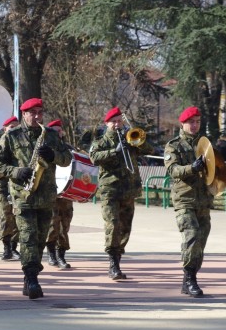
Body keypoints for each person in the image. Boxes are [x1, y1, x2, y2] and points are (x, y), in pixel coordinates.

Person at [0, 98, 71, 300]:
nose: (36, 116)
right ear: (24, 114)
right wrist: (15, 171)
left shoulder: (50, 135)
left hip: (46, 197)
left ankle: (30, 278)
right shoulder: (12, 136)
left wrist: (53, 155)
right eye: (32, 113)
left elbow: (67, 159)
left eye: (39, 112)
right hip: (23, 197)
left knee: (40, 239)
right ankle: (32, 277)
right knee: (27, 237)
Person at [89, 106, 154, 280]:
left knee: (125, 227)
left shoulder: (128, 138)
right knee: (113, 225)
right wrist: (115, 151)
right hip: (110, 190)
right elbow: (94, 158)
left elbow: (150, 150)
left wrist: (136, 139)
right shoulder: (101, 142)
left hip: (128, 190)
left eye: (119, 121)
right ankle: (113, 262)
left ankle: (118, 255)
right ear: (107, 124)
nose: (117, 124)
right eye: (114, 122)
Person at [164, 106, 213, 297]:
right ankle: (191, 278)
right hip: (184, 200)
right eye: (191, 122)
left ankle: (187, 279)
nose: (195, 125)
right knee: (191, 236)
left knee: (200, 241)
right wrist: (192, 167)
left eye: (198, 122)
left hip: (203, 201)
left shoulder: (205, 144)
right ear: (183, 123)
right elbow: (173, 170)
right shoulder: (174, 145)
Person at [0, 116, 21, 261]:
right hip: (1, 186)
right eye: (11, 127)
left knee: (17, 216)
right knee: (5, 216)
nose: (13, 129)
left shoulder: (21, 143)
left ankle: (14, 247)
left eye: (16, 126)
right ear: (4, 128)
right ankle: (6, 247)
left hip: (18, 185)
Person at [44, 119, 74, 269]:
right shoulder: (45, 149)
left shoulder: (68, 149)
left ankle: (61, 254)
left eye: (59, 130)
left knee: (65, 224)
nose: (57, 133)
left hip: (66, 193)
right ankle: (52, 254)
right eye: (54, 130)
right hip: (51, 192)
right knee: (52, 224)